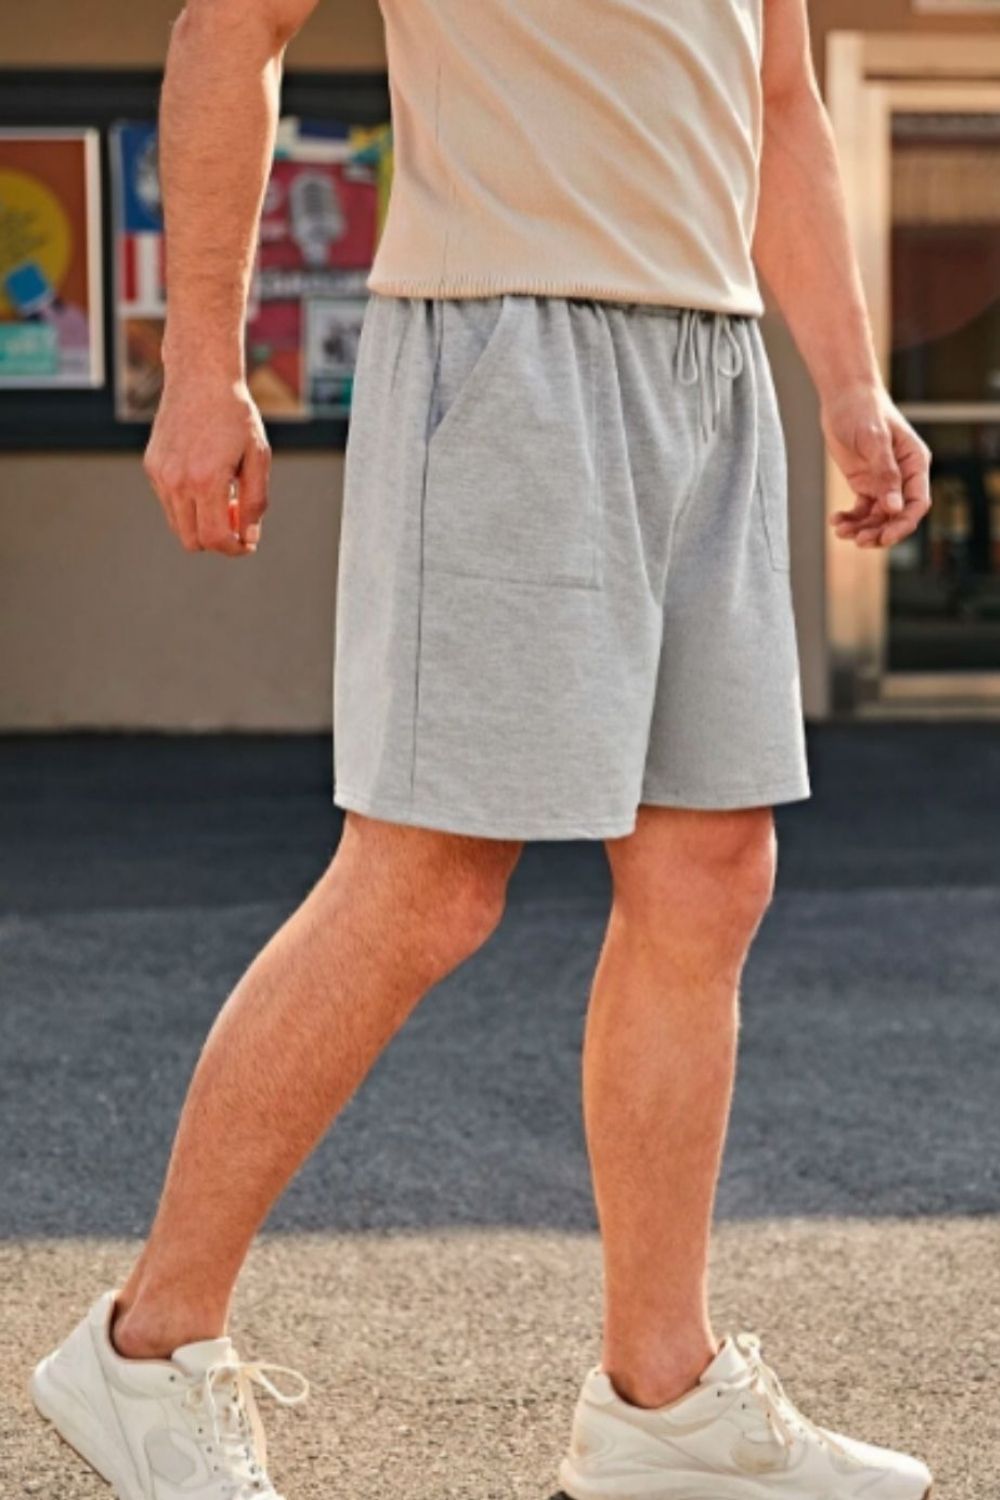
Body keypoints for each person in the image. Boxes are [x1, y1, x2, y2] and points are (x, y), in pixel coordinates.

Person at [30, 0, 934, 1496]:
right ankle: (146, 1348)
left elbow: (780, 98)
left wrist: (845, 377)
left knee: (712, 871)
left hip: (709, 366)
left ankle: (661, 1404)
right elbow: (229, 28)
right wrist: (201, 364)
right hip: (506, 344)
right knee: (426, 880)